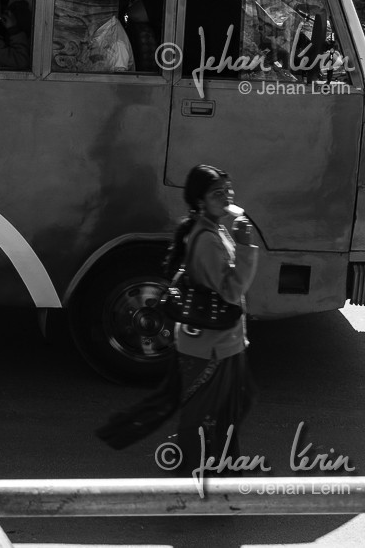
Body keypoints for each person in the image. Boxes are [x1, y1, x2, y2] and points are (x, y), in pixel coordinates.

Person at [96, 164, 260, 470]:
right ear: (200, 200)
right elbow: (229, 290)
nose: (226, 196)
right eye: (217, 193)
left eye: (228, 189)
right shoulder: (209, 238)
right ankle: (199, 483)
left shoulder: (211, 228)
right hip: (213, 348)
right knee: (209, 418)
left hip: (216, 343)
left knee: (218, 413)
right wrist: (247, 247)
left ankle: (207, 482)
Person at [183, 0, 246, 79]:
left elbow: (136, 13)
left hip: (183, 75)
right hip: (225, 84)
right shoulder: (239, 10)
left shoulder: (184, 0)